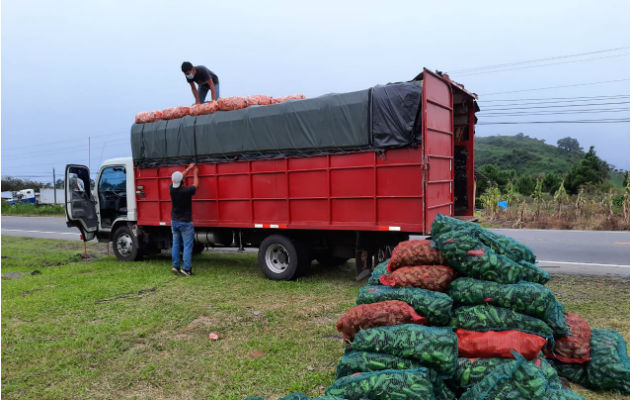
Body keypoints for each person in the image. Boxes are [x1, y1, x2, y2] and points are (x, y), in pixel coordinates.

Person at [170, 162, 199, 276]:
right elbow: (196, 185)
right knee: (187, 246)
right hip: (185, 222)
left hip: (174, 221)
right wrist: (195, 173)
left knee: (176, 244)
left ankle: (176, 266)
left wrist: (188, 169)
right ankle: (186, 269)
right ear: (182, 181)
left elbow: (179, 178)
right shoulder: (186, 191)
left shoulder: (171, 188)